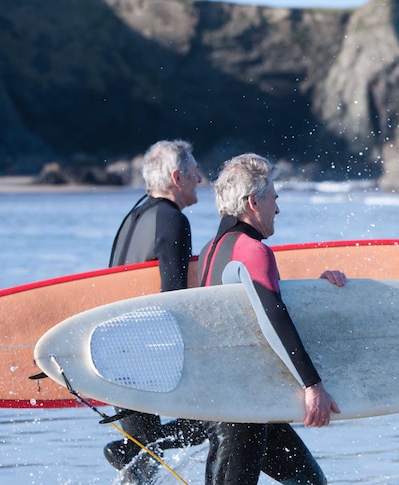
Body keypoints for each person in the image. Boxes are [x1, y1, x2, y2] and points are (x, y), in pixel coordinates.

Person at [199, 153, 344, 484]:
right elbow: (273, 317)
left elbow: (244, 313)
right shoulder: (252, 249)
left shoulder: (211, 250)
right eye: (273, 199)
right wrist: (313, 386)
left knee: (308, 481)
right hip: (242, 409)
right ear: (253, 202)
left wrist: (317, 292)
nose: (277, 209)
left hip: (234, 400)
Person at [104, 139, 208, 483]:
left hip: (115, 352)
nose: (201, 180)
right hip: (145, 356)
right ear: (178, 177)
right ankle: (132, 449)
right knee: (220, 420)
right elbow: (174, 298)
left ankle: (130, 449)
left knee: (143, 469)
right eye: (195, 173)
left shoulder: (133, 217)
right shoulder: (172, 220)